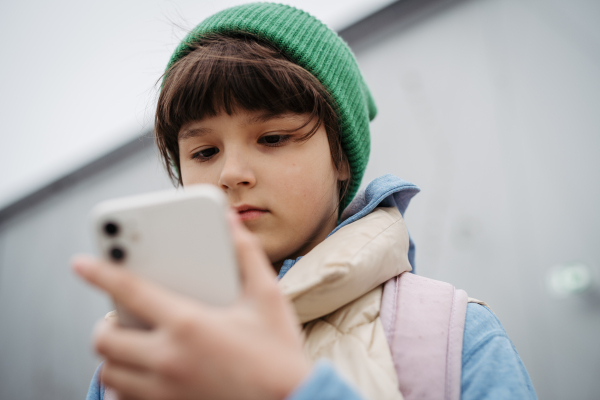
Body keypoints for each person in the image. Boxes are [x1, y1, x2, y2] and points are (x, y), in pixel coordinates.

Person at [73, 3, 537, 400]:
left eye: (272, 137)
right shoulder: (132, 362)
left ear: (341, 157)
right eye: (204, 152)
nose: (231, 173)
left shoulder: (453, 335)